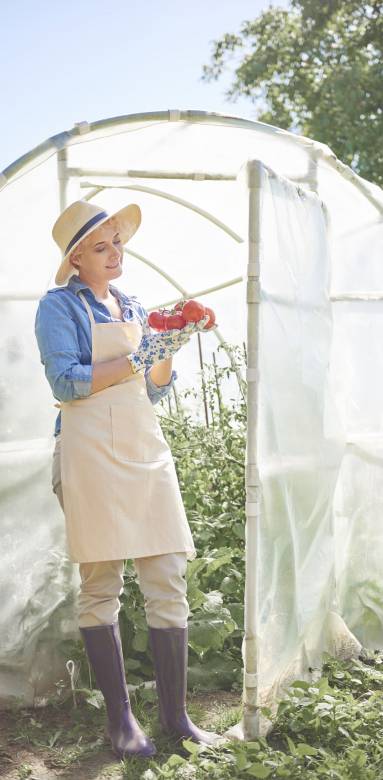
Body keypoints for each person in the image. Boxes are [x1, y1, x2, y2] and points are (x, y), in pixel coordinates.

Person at [35, 199, 219, 759]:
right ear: (75, 259)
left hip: (143, 448)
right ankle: (120, 721)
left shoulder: (135, 306)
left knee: (168, 576)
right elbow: (66, 383)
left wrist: (169, 344)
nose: (115, 253)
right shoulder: (58, 307)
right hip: (89, 453)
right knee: (102, 585)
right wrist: (140, 357)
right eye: (101, 246)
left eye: (117, 241)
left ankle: (176, 717)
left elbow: (154, 389)